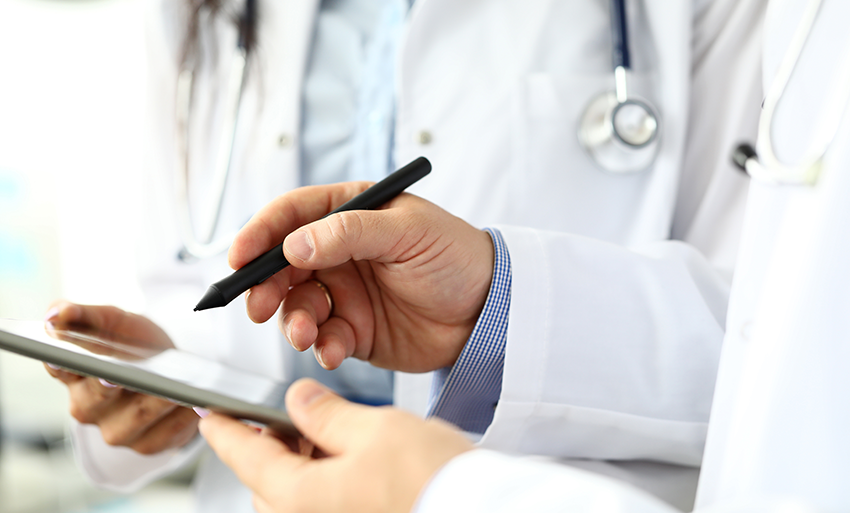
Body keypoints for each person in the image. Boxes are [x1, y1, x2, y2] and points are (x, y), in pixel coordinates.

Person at [44, 0, 767, 511]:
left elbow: (767, 341)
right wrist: (165, 370)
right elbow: (188, 280)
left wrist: (499, 309)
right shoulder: (196, 10)